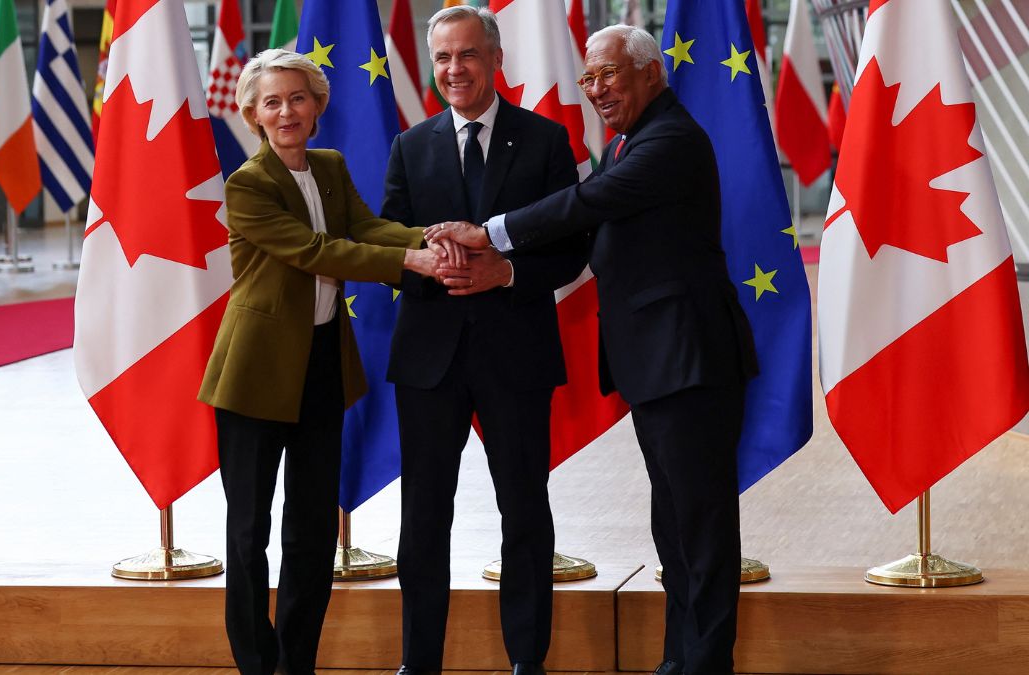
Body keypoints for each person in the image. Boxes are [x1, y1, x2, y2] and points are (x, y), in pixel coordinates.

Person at [427, 25, 759, 675]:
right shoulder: (631, 138)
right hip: (660, 364)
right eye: (588, 79)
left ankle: (706, 663)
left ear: (650, 74)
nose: (597, 89)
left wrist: (491, 231)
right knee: (675, 528)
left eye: (609, 74)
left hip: (689, 361)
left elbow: (589, 202)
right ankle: (679, 660)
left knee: (703, 530)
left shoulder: (670, 140)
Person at [197, 49, 445, 675]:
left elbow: (363, 226)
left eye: (298, 98)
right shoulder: (247, 183)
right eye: (272, 102)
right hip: (253, 378)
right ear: (252, 114)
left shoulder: (330, 166)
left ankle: (295, 663)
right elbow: (313, 251)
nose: (286, 111)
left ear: (318, 107)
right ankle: (257, 664)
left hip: (321, 370)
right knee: (249, 534)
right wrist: (407, 264)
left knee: (311, 532)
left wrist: (432, 237)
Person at [382, 7, 588, 674]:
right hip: (429, 361)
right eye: (442, 57)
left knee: (525, 512)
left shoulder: (546, 140)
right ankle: (420, 662)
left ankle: (528, 660)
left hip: (515, 355)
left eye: (466, 55)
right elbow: (389, 240)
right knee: (423, 521)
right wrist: (420, 262)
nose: (452, 70)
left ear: (495, 59)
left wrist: (510, 271)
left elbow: (576, 248)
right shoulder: (410, 146)